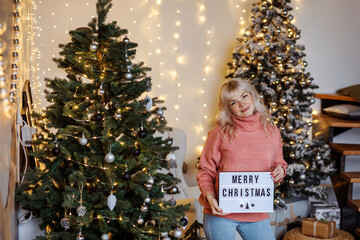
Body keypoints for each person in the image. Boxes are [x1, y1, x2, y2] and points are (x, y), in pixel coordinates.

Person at [196, 79, 287, 240]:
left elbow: (278, 164)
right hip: (221, 213)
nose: (242, 104)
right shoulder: (218, 134)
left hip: (256, 213)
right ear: (228, 108)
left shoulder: (272, 132)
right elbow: (205, 171)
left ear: (253, 96)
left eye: (244, 96)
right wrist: (209, 196)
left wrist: (280, 170)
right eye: (233, 102)